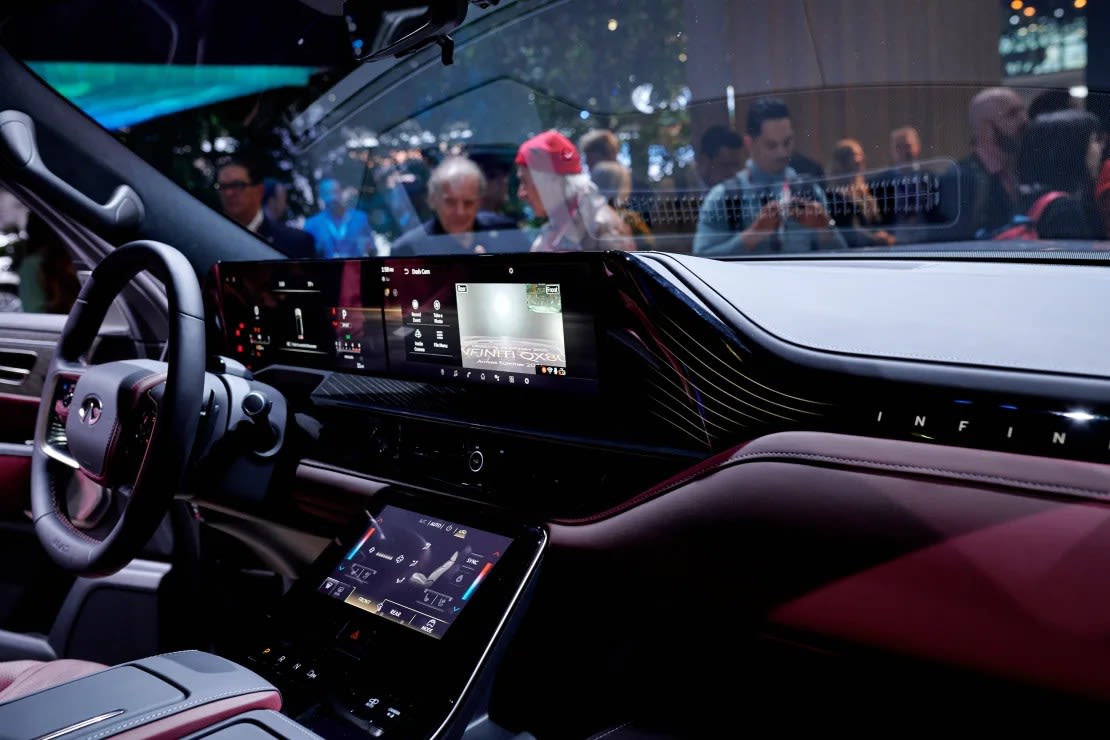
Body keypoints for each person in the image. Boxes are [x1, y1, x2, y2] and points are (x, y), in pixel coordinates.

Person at [693, 97, 846, 255]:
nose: (782, 152)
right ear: (749, 144)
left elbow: (842, 256)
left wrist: (825, 228)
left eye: (787, 142)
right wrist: (753, 235)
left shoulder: (810, 191)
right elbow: (701, 258)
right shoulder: (722, 197)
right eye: (771, 145)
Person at [514, 129, 635, 252]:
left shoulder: (601, 227)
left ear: (550, 181)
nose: (521, 194)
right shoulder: (561, 225)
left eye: (524, 182)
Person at [389, 156, 530, 256]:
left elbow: (541, 293)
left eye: (468, 203)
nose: (460, 212)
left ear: (479, 202)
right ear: (432, 200)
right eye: (450, 202)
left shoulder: (507, 232)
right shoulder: (408, 250)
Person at [1003, 109, 1106, 241]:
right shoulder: (1065, 210)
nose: (1100, 148)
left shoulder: (1021, 197)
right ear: (1072, 149)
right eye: (1094, 140)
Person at [944, 87, 1028, 240]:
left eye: (1023, 111)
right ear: (985, 129)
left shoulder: (1021, 170)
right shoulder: (960, 180)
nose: (1024, 120)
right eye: (1012, 114)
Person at [214, 157, 315, 258]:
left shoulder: (295, 242)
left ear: (259, 190)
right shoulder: (211, 240)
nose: (228, 193)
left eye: (237, 185)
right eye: (222, 187)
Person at [825, 139, 895, 248]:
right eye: (855, 155)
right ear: (842, 161)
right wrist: (876, 239)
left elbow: (878, 223)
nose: (860, 159)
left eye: (861, 154)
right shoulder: (836, 195)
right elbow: (850, 231)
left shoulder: (866, 193)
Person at [303, 177, 375, 258]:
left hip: (355, 268)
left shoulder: (360, 218)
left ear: (341, 192)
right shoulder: (311, 224)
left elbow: (372, 250)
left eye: (335, 192)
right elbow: (307, 256)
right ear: (321, 196)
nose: (332, 197)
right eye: (327, 193)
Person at [589, 160, 654, 249]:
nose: (629, 190)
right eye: (627, 184)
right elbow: (648, 244)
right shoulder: (627, 217)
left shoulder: (585, 214)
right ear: (619, 187)